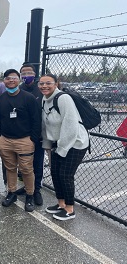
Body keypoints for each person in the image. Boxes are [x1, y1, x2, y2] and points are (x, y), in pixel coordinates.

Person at [39, 74, 89, 221]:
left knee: (65, 174)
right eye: (41, 83)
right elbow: (46, 125)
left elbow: (71, 126)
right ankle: (60, 204)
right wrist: (48, 146)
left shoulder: (63, 98)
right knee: (55, 172)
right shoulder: (45, 99)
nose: (44, 86)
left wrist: (61, 149)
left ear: (56, 84)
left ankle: (69, 208)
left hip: (76, 143)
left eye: (48, 83)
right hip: (58, 142)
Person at [0, 69, 41, 212]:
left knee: (26, 169)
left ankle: (30, 195)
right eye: (7, 78)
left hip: (24, 140)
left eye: (14, 78)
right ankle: (11, 192)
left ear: (19, 80)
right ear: (4, 81)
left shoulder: (28, 98)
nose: (11, 80)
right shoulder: (0, 99)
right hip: (5, 140)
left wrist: (33, 139)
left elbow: (36, 120)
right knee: (10, 168)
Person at [15, 63, 45, 206]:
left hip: (38, 134)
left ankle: (36, 190)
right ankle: (28, 188)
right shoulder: (19, 89)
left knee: (37, 164)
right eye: (23, 73)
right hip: (22, 135)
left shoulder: (41, 88)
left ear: (35, 74)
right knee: (24, 165)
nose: (26, 76)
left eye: (29, 73)